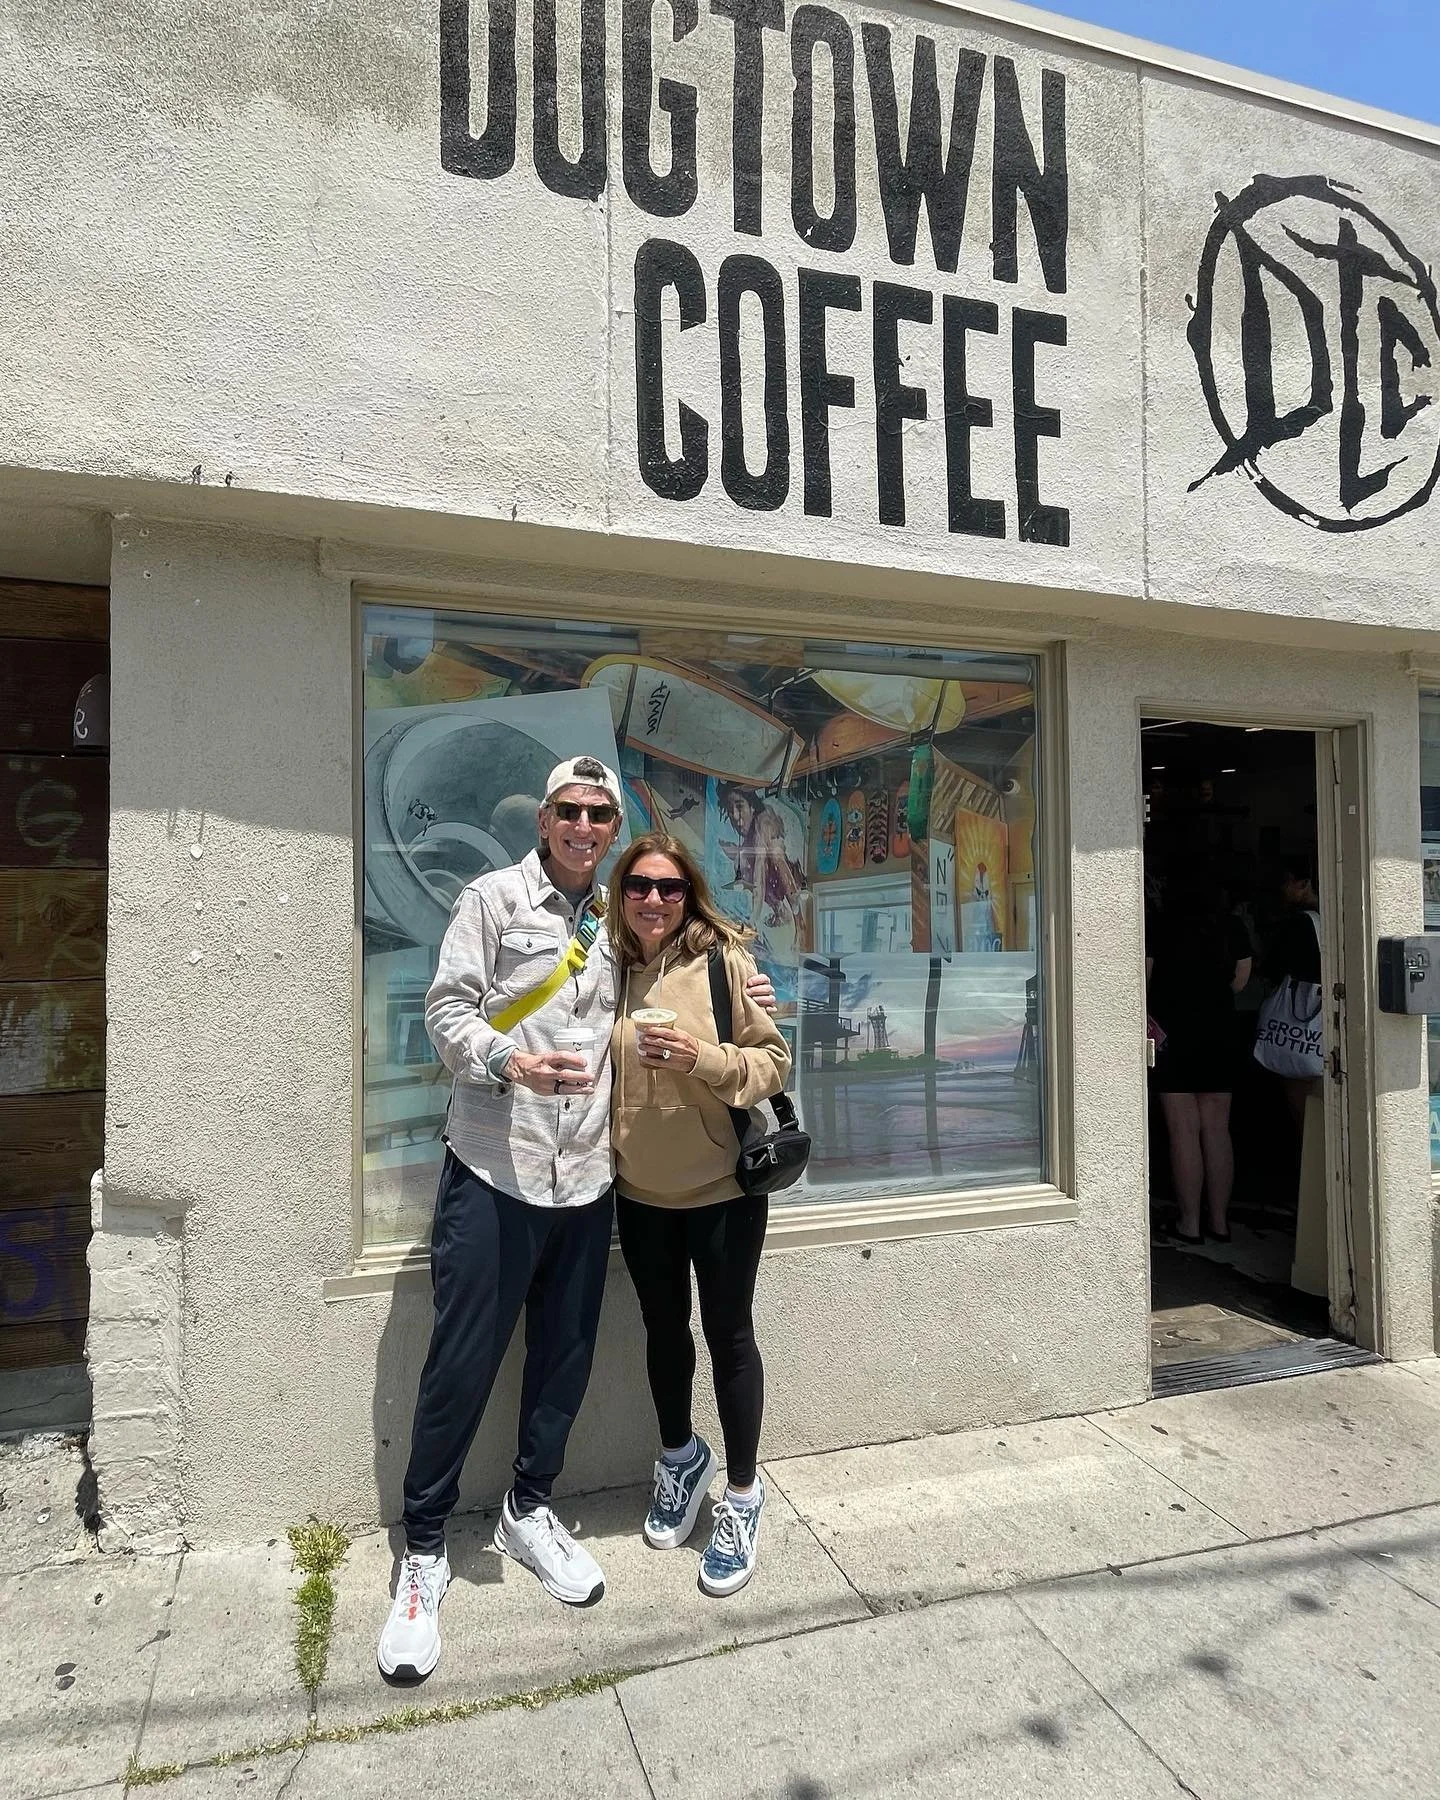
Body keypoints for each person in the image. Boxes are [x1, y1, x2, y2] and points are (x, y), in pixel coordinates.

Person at [377, 758, 774, 1681]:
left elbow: (694, 949)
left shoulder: (621, 921)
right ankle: (424, 1550)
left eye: (601, 814)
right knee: (463, 1360)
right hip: (494, 1167)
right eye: (570, 811)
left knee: (564, 1360)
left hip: (589, 1180)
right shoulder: (491, 898)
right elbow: (444, 1008)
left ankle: (528, 1508)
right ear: (545, 816)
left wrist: (749, 981)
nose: (585, 827)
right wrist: (507, 1063)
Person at [606, 832, 791, 1596]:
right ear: (620, 893)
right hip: (638, 1193)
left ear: (690, 894)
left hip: (720, 1191)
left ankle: (742, 1497)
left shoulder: (727, 962)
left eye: (671, 888)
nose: (654, 900)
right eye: (640, 886)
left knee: (729, 1336)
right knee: (661, 1334)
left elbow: (773, 1062)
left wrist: (699, 1059)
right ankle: (681, 1457)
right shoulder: (601, 966)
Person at [1146, 874, 1253, 1243]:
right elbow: (1241, 979)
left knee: (1183, 1130)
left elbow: (1141, 979)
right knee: (1217, 1129)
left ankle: (1189, 1223)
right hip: (1221, 1029)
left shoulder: (1159, 926)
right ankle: (1220, 1222)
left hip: (1174, 1031)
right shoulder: (1232, 926)